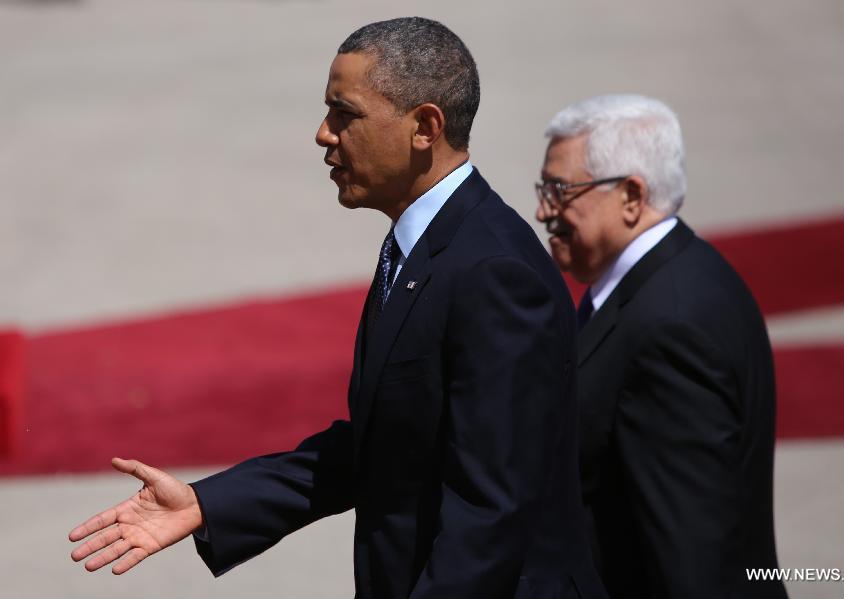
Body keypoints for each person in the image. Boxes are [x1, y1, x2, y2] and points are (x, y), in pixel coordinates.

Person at [69, 18, 606, 599]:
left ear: (424, 127)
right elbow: (387, 445)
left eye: (344, 114)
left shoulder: (493, 273)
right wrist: (208, 503)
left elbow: (490, 510)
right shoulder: (423, 246)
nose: (324, 134)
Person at [534, 94, 787, 599]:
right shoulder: (686, 277)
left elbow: (690, 553)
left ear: (631, 195)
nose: (543, 211)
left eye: (561, 190)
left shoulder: (669, 329)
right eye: (544, 188)